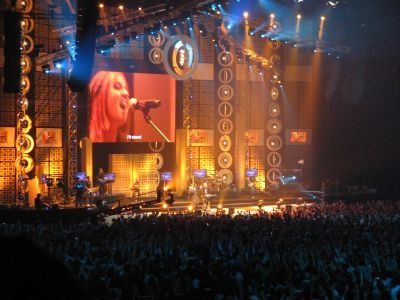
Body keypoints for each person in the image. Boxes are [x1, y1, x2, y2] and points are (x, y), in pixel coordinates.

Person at [88, 71, 134, 142]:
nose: (126, 93)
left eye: (126, 89)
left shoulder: (126, 147)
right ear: (100, 96)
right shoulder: (84, 143)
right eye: (117, 87)